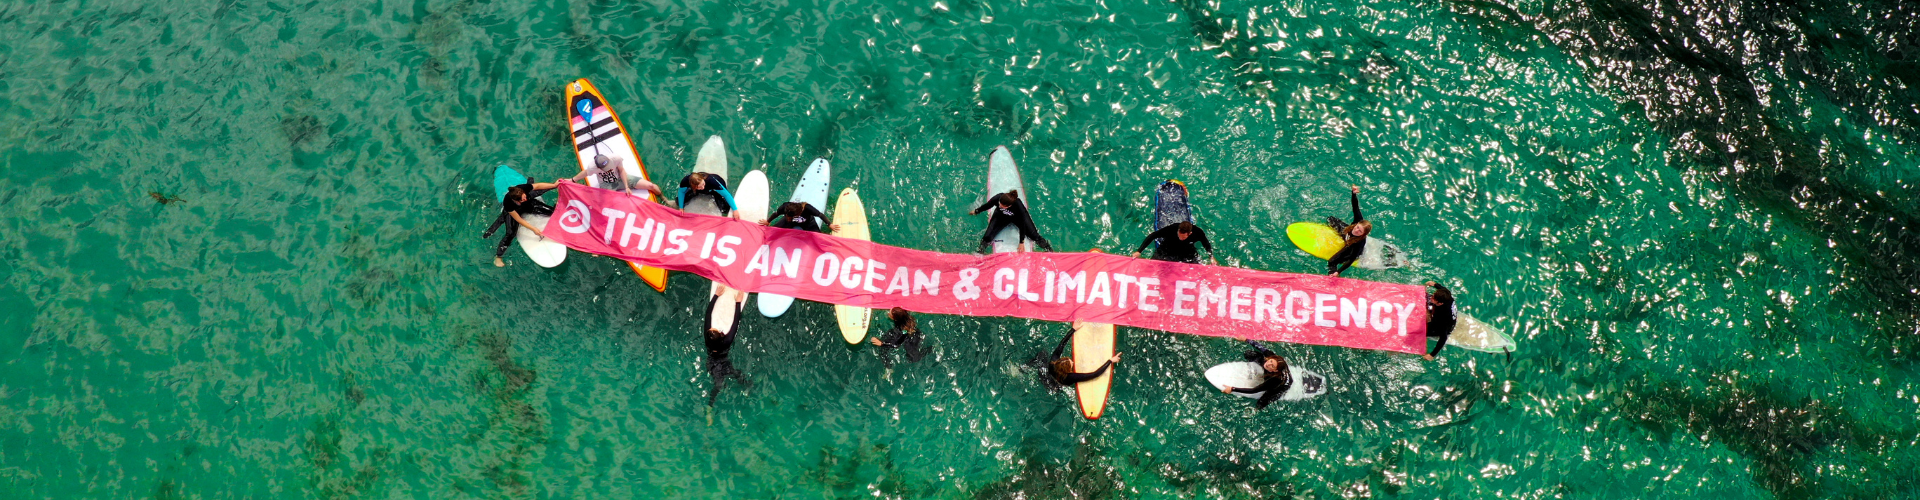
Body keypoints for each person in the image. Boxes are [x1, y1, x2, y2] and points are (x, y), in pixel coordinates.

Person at [482, 178, 558, 267]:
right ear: (516, 200)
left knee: (553, 212)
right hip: (515, 212)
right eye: (523, 199)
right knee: (510, 233)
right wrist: (533, 229)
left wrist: (554, 185)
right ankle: (498, 257)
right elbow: (518, 219)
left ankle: (558, 202)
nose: (525, 199)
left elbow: (537, 186)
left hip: (528, 205)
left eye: (524, 196)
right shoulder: (508, 203)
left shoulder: (522, 189)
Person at [1028, 322, 1120, 392]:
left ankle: (1026, 366)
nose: (1072, 362)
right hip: (1056, 387)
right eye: (1071, 363)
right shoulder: (1070, 377)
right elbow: (1094, 374)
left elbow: (1061, 345)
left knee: (1042, 354)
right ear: (1068, 370)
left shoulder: (1053, 362)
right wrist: (1110, 360)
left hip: (1047, 377)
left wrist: (1073, 329)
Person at [704, 288, 749, 406]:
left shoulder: (707, 338)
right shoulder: (727, 340)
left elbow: (708, 314)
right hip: (724, 361)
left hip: (712, 363)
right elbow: (736, 321)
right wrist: (738, 302)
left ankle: (710, 406)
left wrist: (715, 295)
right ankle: (748, 387)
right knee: (736, 374)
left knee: (718, 385)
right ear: (720, 335)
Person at [969, 190, 1053, 253]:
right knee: (987, 237)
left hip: (1017, 218)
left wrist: (1021, 242)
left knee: (1035, 236)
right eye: (1000, 204)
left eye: (1003, 206)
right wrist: (977, 211)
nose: (1000, 205)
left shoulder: (1019, 206)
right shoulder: (998, 198)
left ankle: (1049, 250)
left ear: (1010, 205)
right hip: (1001, 216)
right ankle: (980, 253)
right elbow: (988, 205)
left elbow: (1022, 224)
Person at [1220, 339, 1291, 410]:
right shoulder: (1271, 356)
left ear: (1275, 370)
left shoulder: (1275, 380)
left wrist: (1232, 389)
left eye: (1272, 366)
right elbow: (1260, 347)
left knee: (1261, 402)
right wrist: (1246, 340)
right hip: (1277, 370)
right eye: (1271, 361)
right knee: (1249, 354)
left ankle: (1257, 409)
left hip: (1283, 385)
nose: (1269, 364)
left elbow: (1254, 390)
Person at [568, 154, 664, 199]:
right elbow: (585, 173)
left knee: (651, 186)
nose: (609, 169)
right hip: (607, 185)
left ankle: (664, 199)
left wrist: (626, 187)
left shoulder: (616, 158)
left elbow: (622, 170)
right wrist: (572, 180)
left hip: (621, 178)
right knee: (608, 203)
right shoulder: (592, 167)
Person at [1326, 185, 1371, 276]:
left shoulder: (1358, 243)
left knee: (1331, 262)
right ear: (1357, 223)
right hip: (1346, 233)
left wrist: (1338, 271)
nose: (1356, 230)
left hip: (1351, 246)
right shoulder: (1358, 220)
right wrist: (1353, 194)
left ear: (1363, 234)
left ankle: (1333, 276)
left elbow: (1351, 260)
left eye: (1360, 231)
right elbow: (1355, 207)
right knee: (1330, 219)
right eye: (1357, 227)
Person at [1131, 221, 1217, 265]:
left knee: (1197, 266)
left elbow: (1206, 243)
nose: (1180, 238)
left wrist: (1211, 257)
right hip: (1168, 248)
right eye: (1179, 235)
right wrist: (1139, 251)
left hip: (1186, 251)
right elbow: (1152, 236)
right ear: (1178, 230)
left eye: (1183, 237)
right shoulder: (1172, 229)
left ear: (1189, 234)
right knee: (1154, 265)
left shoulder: (1198, 232)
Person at [1423, 281, 1457, 361]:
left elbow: (1443, 338)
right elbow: (1443, 289)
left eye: (1433, 298)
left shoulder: (1443, 317)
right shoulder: (1447, 295)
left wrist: (1432, 354)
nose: (1432, 297)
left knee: (1417, 331)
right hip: (1439, 310)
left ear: (1440, 303)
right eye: (1433, 295)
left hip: (1443, 327)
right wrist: (1434, 284)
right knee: (1425, 298)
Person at [764, 201, 839, 233]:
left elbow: (820, 215)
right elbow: (776, 214)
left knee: (819, 237)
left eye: (791, 217)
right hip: (789, 223)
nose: (789, 217)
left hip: (808, 223)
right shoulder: (786, 207)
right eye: (787, 215)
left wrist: (829, 224)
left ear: (799, 213)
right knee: (771, 232)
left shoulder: (807, 208)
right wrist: (768, 221)